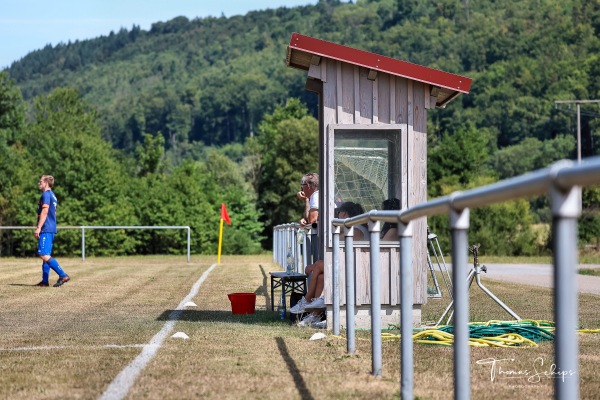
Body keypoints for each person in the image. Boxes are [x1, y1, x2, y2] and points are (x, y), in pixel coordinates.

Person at [34, 175, 70, 287]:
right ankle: (45, 281)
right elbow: (54, 213)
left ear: (46, 183)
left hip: (46, 228)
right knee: (46, 255)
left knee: (44, 254)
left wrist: (39, 227)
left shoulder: (46, 195)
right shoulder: (53, 195)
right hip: (51, 228)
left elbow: (45, 212)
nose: (39, 183)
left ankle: (63, 275)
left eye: (40, 181)